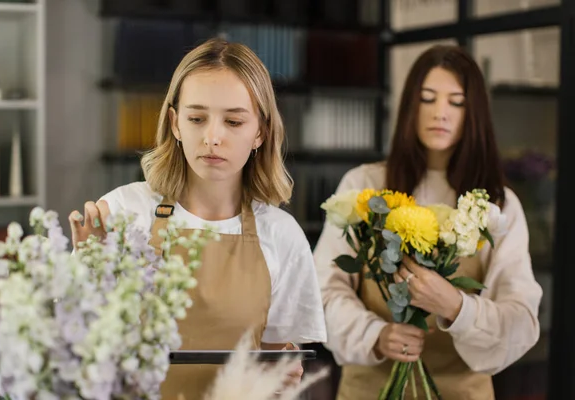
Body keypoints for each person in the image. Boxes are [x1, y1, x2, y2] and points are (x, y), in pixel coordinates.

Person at [68, 38, 327, 400]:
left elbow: (276, 353)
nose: (212, 137)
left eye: (234, 121)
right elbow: (77, 343)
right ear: (175, 123)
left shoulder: (281, 235)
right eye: (196, 118)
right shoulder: (125, 213)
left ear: (260, 132)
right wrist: (88, 274)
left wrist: (283, 377)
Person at [313, 45, 543, 399]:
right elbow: (323, 290)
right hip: (369, 390)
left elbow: (522, 320)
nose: (440, 113)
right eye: (427, 98)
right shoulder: (364, 186)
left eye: (456, 102)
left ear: (475, 112)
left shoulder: (499, 206)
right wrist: (376, 335)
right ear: (409, 105)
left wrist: (456, 306)